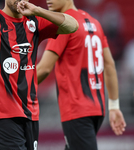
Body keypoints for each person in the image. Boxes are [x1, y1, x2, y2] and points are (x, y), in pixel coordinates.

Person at [0, 0, 78, 149]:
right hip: (2, 113)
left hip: (30, 112)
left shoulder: (34, 21)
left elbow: (72, 26)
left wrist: (38, 11)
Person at [37, 0, 126, 150]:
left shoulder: (64, 24)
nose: (48, 0)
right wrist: (114, 106)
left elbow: (44, 68)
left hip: (77, 110)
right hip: (97, 110)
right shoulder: (94, 23)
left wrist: (16, 85)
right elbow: (109, 64)